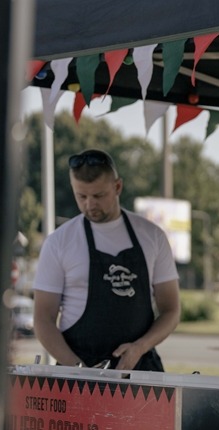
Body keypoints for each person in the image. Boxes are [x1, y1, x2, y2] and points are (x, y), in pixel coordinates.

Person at [33, 149, 180, 371]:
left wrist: (140, 347)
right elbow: (43, 319)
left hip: (141, 371)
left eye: (99, 195)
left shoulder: (152, 236)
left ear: (117, 186)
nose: (90, 204)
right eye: (81, 196)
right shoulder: (59, 242)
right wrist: (79, 369)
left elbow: (171, 310)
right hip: (77, 370)